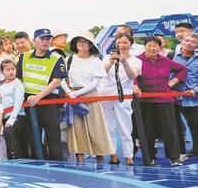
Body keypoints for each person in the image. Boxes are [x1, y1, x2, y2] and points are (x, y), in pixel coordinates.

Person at [62, 32, 113, 164]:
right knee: (77, 131)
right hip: (73, 98)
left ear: (90, 45)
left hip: (91, 98)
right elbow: (61, 78)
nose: (81, 43)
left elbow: (95, 83)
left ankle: (100, 162)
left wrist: (76, 94)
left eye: (84, 41)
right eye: (79, 41)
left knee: (96, 131)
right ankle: (80, 162)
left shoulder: (96, 61)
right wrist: (69, 91)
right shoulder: (69, 60)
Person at [135, 36, 188, 165]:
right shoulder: (137, 60)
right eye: (149, 45)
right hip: (145, 101)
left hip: (164, 101)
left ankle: (174, 158)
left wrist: (173, 81)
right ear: (145, 46)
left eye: (155, 46)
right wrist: (135, 86)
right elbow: (133, 76)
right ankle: (150, 157)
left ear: (160, 47)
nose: (152, 48)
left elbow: (183, 69)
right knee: (148, 131)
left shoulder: (165, 61)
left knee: (169, 130)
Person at [17, 29, 66, 161]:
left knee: (53, 137)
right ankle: (39, 165)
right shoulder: (24, 57)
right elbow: (19, 79)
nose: (45, 41)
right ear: (34, 40)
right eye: (42, 38)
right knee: (33, 137)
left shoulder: (57, 58)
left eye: (48, 39)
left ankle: (57, 166)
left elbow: (56, 81)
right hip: (29, 103)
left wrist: (38, 96)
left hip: (49, 103)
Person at [99, 32, 142, 165]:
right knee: (108, 127)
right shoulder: (107, 57)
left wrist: (124, 62)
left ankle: (129, 157)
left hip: (123, 97)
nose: (122, 45)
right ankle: (113, 156)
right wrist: (111, 62)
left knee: (125, 127)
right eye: (119, 42)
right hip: (105, 95)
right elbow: (101, 73)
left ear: (130, 44)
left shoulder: (136, 61)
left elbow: (132, 76)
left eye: (125, 42)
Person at [173, 32, 198, 157]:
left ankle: (196, 150)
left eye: (193, 42)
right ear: (182, 41)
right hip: (173, 97)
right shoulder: (171, 56)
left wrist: (195, 90)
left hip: (193, 98)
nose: (189, 44)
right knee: (175, 126)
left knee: (195, 125)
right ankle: (179, 151)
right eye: (187, 40)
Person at [0, 59, 26, 159]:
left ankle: (15, 158)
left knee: (8, 131)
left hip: (18, 116)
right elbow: (1, 104)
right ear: (2, 72)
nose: (11, 72)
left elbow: (18, 102)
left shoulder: (18, 84)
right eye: (7, 70)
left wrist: (12, 119)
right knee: (11, 138)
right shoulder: (1, 87)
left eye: (13, 69)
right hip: (5, 118)